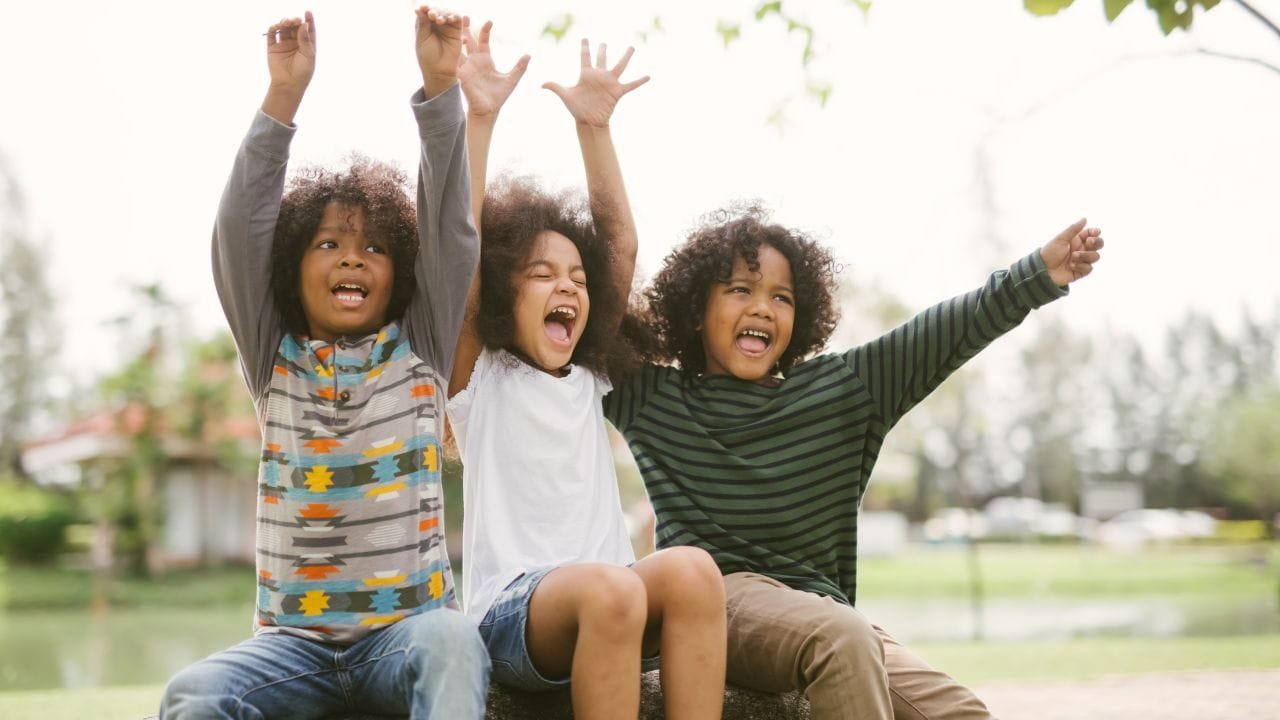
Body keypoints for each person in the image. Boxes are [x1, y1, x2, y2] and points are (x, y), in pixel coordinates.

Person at [606, 205, 1104, 720]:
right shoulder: (656, 399)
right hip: (714, 604)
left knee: (961, 711)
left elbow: (945, 332)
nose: (762, 307)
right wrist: (593, 133)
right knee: (841, 636)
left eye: (782, 297)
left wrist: (1037, 274)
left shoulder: (843, 390)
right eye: (740, 290)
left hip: (824, 613)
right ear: (694, 309)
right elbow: (599, 301)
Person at [160, 8, 489, 719]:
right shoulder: (272, 353)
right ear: (291, 267)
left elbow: (451, 232)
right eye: (328, 244)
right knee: (191, 695)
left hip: (404, 636)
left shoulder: (420, 345)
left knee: (455, 642)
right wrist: (282, 98)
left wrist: (440, 90)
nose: (351, 257)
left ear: (398, 274)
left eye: (373, 248)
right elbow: (236, 235)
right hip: (292, 648)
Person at [446, 22, 728, 720]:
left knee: (693, 570)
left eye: (577, 276)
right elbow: (463, 247)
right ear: (503, 293)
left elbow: (621, 243)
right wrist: (479, 118)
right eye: (542, 273)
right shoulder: (480, 380)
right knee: (614, 588)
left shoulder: (588, 376)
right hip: (513, 613)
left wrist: (594, 130)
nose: (567, 286)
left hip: (613, 596)